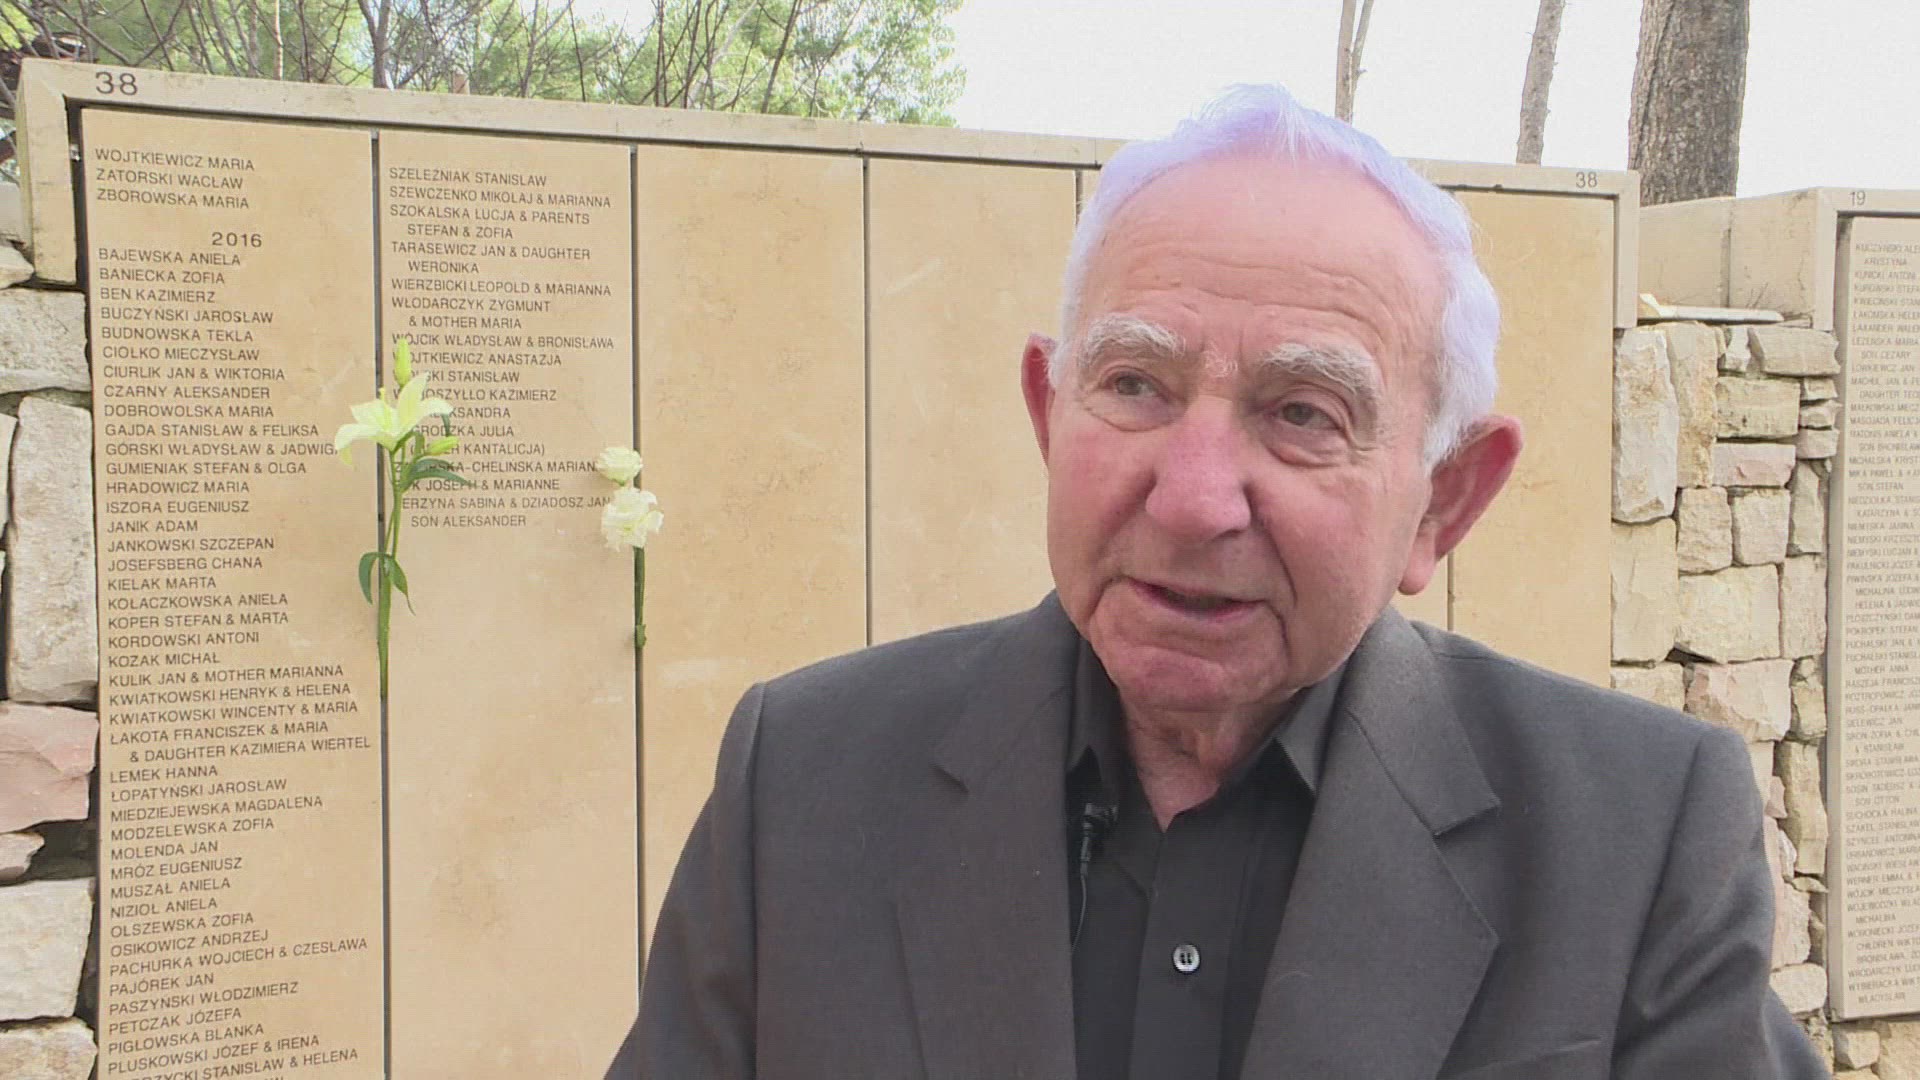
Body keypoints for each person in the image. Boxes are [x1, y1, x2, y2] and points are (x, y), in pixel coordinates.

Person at [611, 84, 1825, 1079]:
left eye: (1303, 413)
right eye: (1136, 385)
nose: (1193, 499)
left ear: (1443, 500)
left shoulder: (1634, 838)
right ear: (1049, 414)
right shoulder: (805, 780)